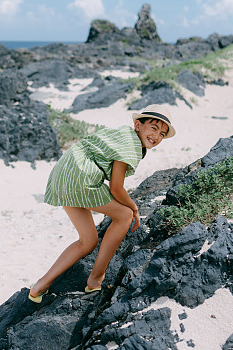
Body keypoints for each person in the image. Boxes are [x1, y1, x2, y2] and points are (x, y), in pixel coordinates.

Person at [28, 105, 176, 303]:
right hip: (81, 176)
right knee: (124, 216)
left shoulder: (122, 134)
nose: (157, 136)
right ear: (138, 125)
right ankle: (96, 279)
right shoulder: (130, 144)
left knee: (87, 241)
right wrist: (134, 207)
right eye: (154, 128)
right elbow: (116, 188)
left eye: (162, 134)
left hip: (64, 174)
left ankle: (40, 286)